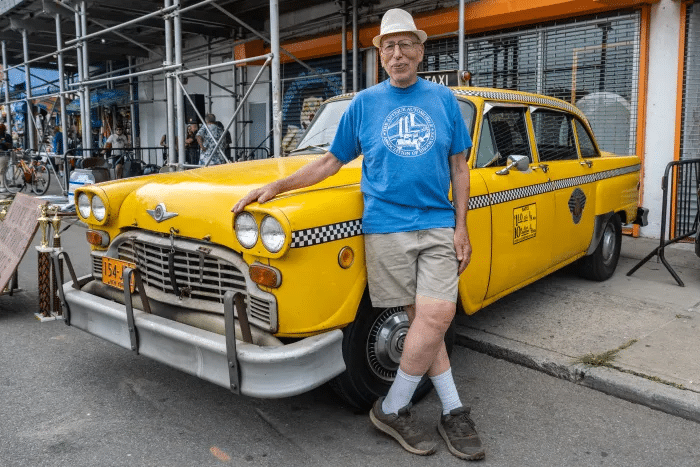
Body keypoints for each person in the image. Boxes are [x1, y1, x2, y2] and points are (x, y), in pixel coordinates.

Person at [232, 8, 482, 461]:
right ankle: (452, 410)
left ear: (421, 51)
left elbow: (459, 167)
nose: (398, 53)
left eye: (406, 44)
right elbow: (331, 161)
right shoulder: (364, 104)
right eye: (389, 46)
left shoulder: (444, 101)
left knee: (437, 317)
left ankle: (392, 406)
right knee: (424, 321)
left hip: (437, 223)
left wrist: (461, 226)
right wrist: (276, 186)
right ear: (380, 55)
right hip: (385, 227)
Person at [0, 123, 12, 192]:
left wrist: (4, 143)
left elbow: (10, 146)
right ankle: (4, 183)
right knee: (1, 171)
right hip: (3, 155)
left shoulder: (7, 136)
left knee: (2, 171)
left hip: (4, 155)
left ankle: (3, 186)